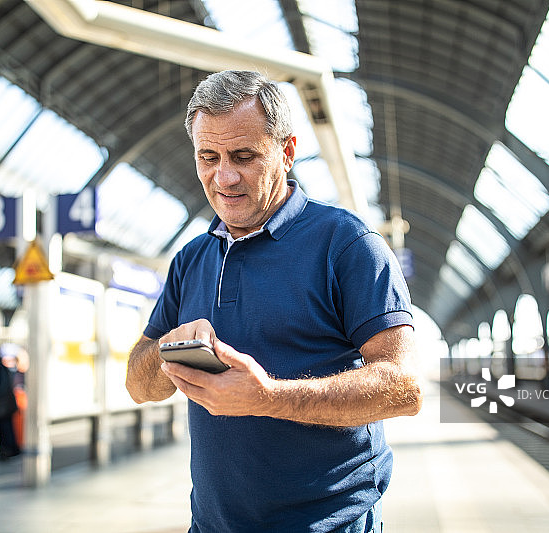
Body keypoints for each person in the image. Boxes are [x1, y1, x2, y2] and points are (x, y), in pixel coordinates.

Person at [126, 70, 423, 532]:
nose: (223, 177)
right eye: (208, 157)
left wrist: (268, 397)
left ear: (286, 152)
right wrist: (172, 346)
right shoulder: (191, 259)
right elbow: (138, 385)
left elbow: (404, 388)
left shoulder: (346, 245)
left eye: (243, 156)